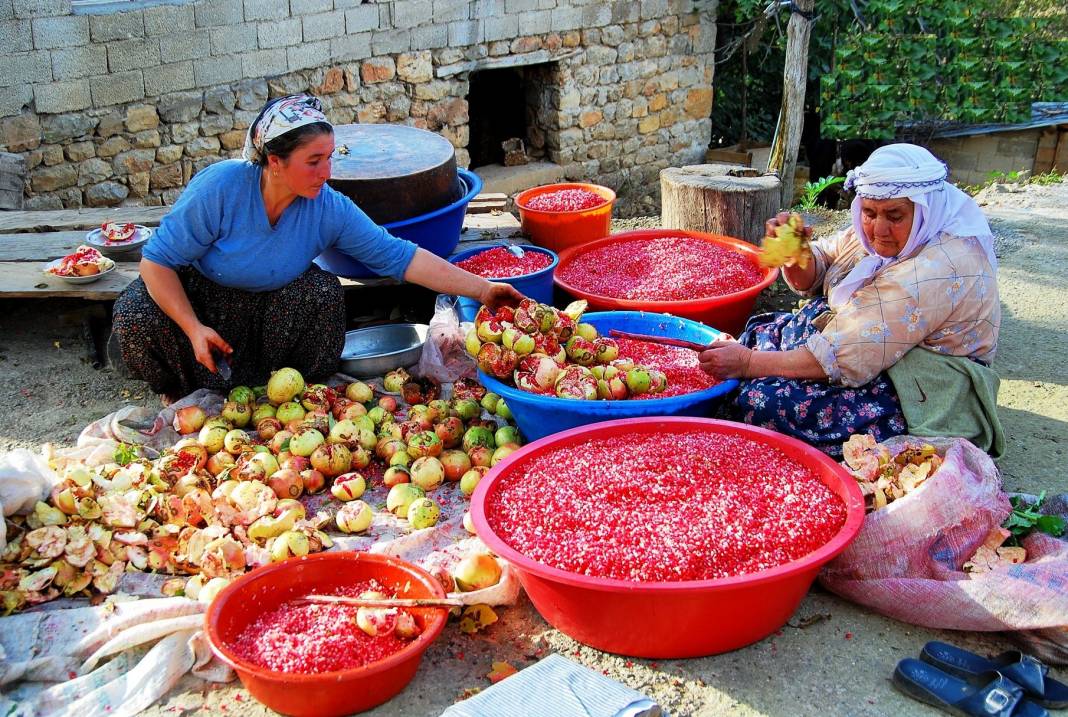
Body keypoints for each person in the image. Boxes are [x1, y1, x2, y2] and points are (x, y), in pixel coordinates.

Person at [113, 95, 522, 401]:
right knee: (133, 313)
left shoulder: (327, 207)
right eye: (313, 161)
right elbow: (155, 263)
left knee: (323, 295)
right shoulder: (220, 188)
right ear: (274, 161)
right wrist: (193, 328)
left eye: (329, 158)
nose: (326, 173)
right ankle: (177, 391)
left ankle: (288, 392)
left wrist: (484, 290)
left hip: (272, 308)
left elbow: (399, 256)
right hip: (204, 301)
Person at [699, 144, 1003, 456]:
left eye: (894, 216)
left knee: (765, 402)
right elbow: (829, 258)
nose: (878, 229)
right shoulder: (895, 224)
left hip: (920, 380)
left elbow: (843, 353)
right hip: (873, 340)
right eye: (869, 213)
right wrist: (795, 252)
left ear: (925, 208)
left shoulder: (941, 266)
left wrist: (749, 364)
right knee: (764, 332)